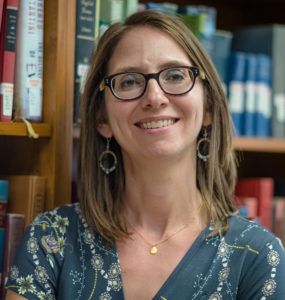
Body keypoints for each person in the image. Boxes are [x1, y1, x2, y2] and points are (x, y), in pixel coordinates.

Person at [5, 10, 285, 300]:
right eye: (128, 81)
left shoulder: (257, 256)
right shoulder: (52, 240)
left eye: (176, 75)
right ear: (102, 118)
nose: (154, 97)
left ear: (209, 107)